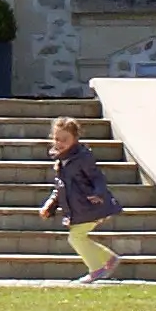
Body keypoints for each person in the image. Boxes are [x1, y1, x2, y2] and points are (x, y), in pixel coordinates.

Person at [38, 115, 127, 284]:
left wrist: (98, 193)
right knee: (77, 237)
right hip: (79, 209)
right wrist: (50, 204)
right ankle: (109, 259)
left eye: (65, 139)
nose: (60, 143)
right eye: (57, 138)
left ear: (75, 138)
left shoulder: (82, 158)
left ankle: (96, 269)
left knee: (75, 237)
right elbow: (60, 187)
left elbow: (97, 177)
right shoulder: (61, 160)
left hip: (93, 206)